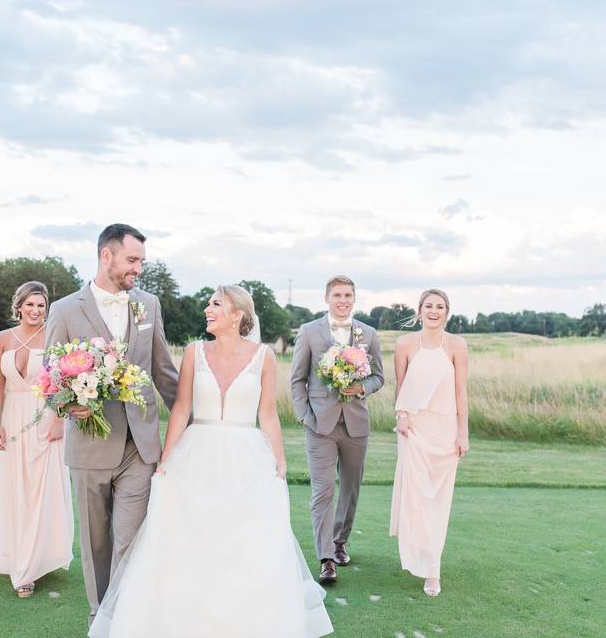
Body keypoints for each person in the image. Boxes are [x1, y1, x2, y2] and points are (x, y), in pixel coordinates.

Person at [89, 285, 333, 638]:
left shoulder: (264, 357)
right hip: (196, 454)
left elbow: (267, 415)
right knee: (188, 538)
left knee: (242, 542)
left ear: (238, 315)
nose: (207, 308)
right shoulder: (194, 352)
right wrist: (165, 458)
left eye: (216, 303)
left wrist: (279, 462)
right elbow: (182, 407)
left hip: (246, 457)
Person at [44, 223, 179, 623]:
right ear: (107, 256)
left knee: (130, 540)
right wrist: (70, 405)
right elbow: (50, 380)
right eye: (132, 260)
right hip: (88, 446)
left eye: (142, 261)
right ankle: (99, 617)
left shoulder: (148, 305)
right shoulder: (65, 310)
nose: (138, 268)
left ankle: (122, 619)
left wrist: (199, 421)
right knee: (97, 542)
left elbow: (163, 371)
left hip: (140, 446)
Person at [290, 275, 384, 585]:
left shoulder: (367, 334)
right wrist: (305, 416)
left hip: (356, 424)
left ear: (354, 299)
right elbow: (297, 380)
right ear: (327, 298)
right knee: (323, 491)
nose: (342, 301)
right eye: (337, 295)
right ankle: (326, 558)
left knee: (350, 488)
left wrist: (361, 387)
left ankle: (341, 541)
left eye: (348, 295)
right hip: (320, 424)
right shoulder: (309, 332)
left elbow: (378, 378)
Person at [0, 281, 73, 597]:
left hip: (46, 417)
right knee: (17, 488)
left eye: (41, 305)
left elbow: (66, 382)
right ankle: (17, 555)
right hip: (12, 418)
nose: (35, 311)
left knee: (42, 488)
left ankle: (33, 565)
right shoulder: (2, 339)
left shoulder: (54, 337)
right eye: (30, 305)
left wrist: (60, 419)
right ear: (19, 306)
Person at [390, 288, 469, 597]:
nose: (434, 311)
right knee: (416, 499)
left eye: (440, 306)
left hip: (445, 430)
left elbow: (461, 391)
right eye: (429, 305)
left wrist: (463, 432)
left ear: (447, 312)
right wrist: (401, 417)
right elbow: (401, 386)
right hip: (414, 430)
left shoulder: (457, 346)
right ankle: (417, 557)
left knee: (438, 501)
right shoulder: (404, 344)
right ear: (419, 310)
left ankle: (433, 569)